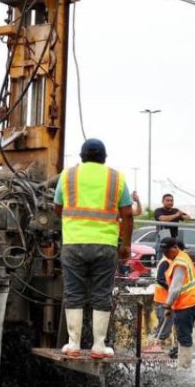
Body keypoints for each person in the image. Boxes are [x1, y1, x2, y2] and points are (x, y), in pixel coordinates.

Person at [54, 138, 135, 359]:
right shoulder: (116, 178)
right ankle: (99, 346)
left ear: (81, 157)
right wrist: (126, 245)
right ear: (104, 158)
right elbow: (127, 214)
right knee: (101, 293)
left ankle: (73, 345)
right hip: (105, 245)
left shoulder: (68, 175)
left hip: (73, 243)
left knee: (74, 293)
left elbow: (57, 207)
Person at [156, 236, 195, 368]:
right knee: (184, 334)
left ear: (175, 248)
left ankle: (184, 366)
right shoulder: (180, 257)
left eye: (168, 252)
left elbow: (175, 288)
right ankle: (184, 364)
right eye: (164, 252)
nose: (166, 255)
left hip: (186, 304)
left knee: (184, 336)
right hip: (190, 302)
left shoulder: (179, 263)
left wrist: (167, 305)